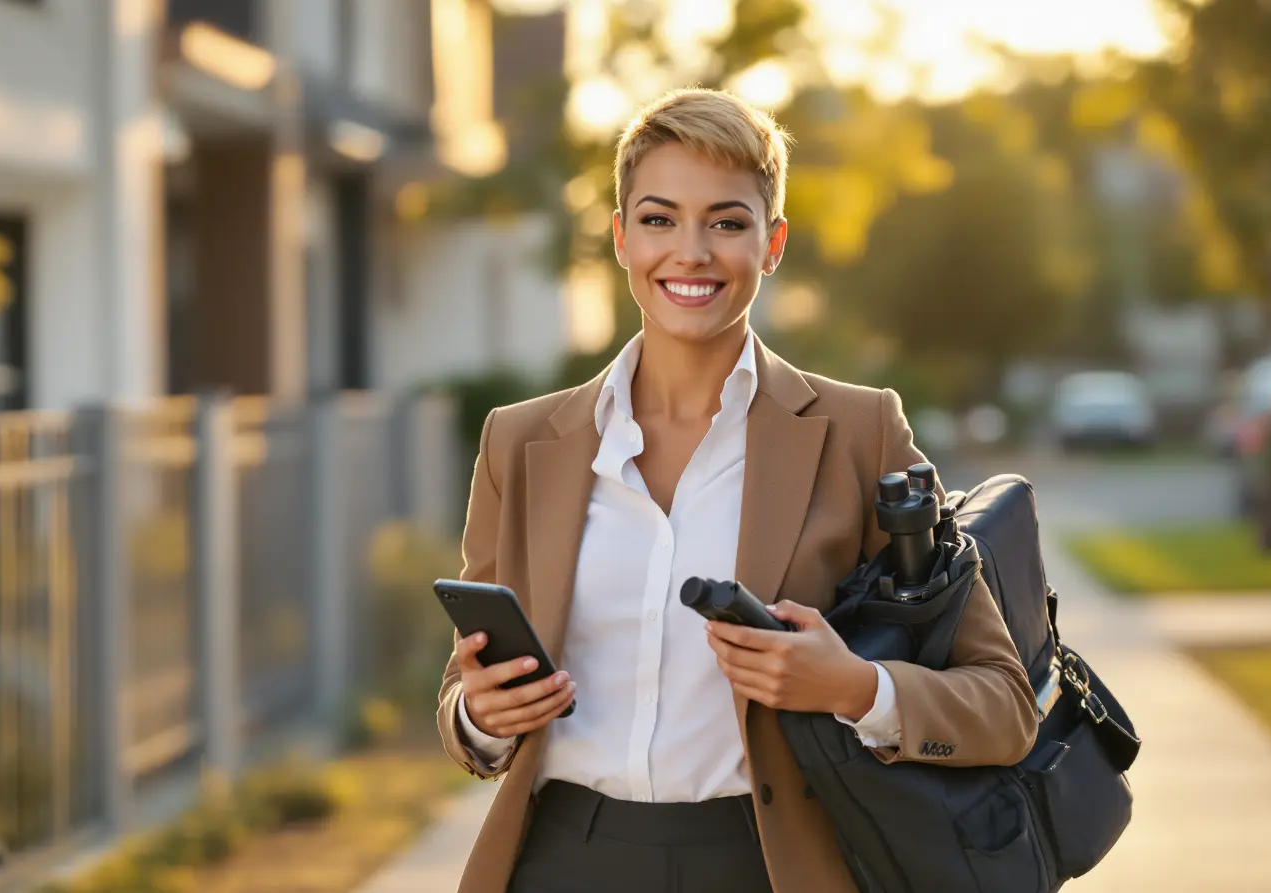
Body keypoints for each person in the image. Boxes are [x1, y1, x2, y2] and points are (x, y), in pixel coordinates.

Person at [436, 88, 1038, 893]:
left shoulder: (858, 433)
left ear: (773, 241)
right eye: (658, 219)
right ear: (620, 237)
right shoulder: (522, 441)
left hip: (765, 862)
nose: (691, 252)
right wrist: (479, 717)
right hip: (559, 856)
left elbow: (1004, 705)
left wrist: (853, 687)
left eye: (727, 221)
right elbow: (462, 693)